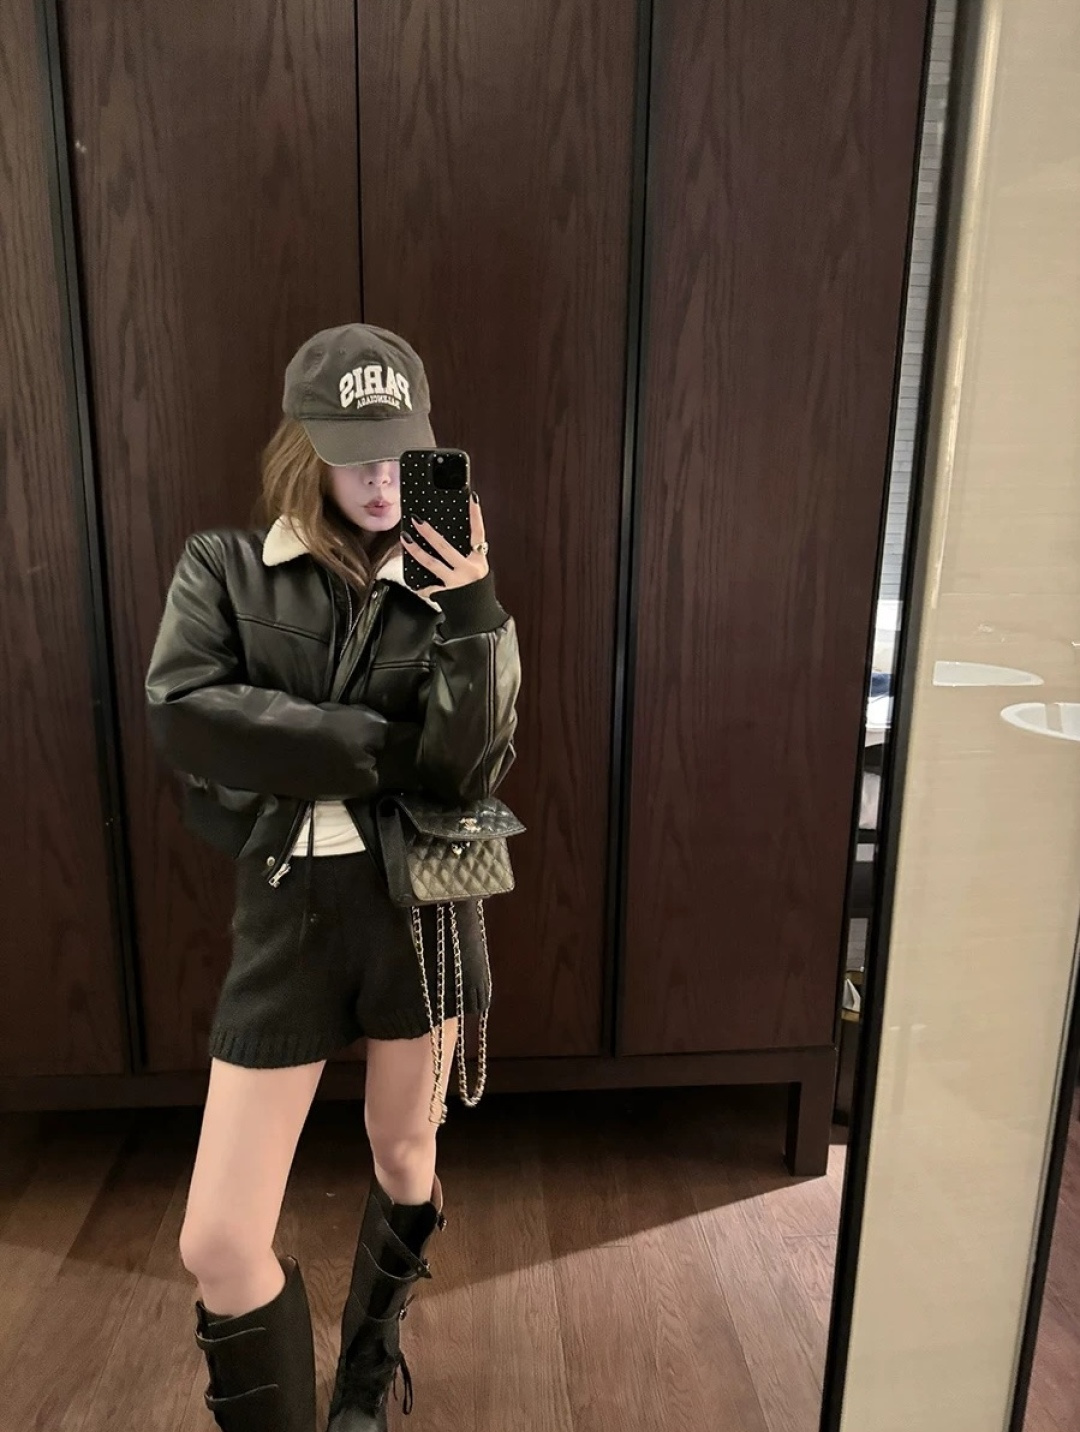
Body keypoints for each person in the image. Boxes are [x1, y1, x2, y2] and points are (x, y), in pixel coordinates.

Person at [145, 323, 521, 1432]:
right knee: (218, 1239)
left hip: (419, 913)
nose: (381, 478)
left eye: (400, 452)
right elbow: (188, 715)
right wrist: (382, 747)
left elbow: (471, 769)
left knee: (405, 1152)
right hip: (289, 915)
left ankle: (364, 1375)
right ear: (303, 445)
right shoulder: (224, 567)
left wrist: (473, 607)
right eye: (355, 453)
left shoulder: (452, 589)